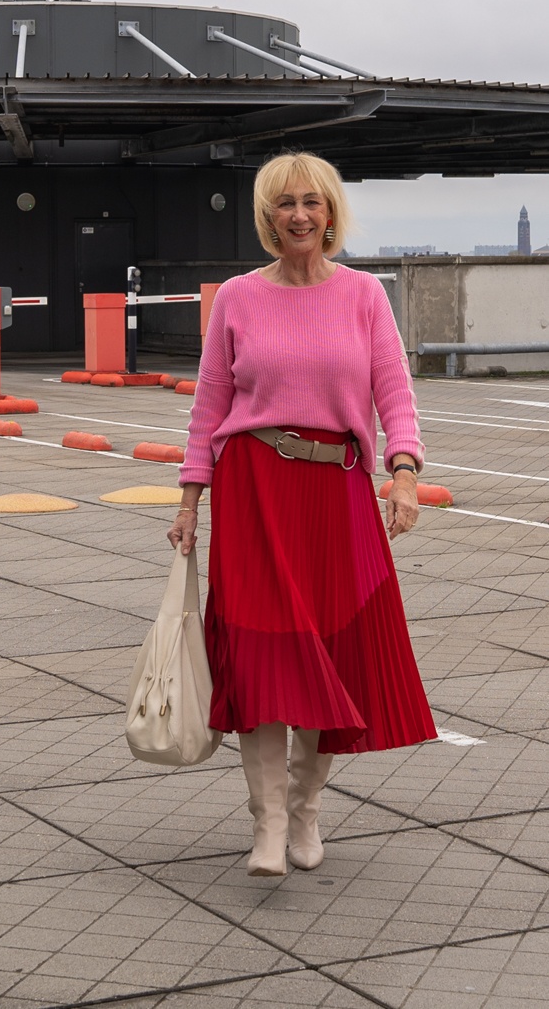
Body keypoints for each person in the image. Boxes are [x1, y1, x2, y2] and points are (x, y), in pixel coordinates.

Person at [167, 151, 437, 877]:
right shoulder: (237, 297)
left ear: (329, 214)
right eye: (285, 203)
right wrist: (191, 498)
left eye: (312, 203)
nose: (299, 215)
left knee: (329, 653)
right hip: (253, 489)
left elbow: (394, 394)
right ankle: (267, 824)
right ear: (267, 215)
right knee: (261, 657)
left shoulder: (363, 296)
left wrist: (404, 473)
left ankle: (306, 804)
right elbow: (209, 405)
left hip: (337, 490)